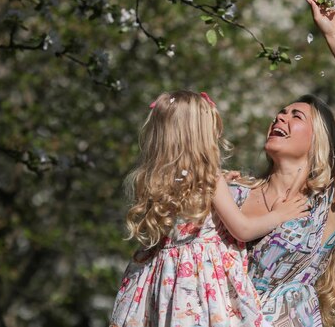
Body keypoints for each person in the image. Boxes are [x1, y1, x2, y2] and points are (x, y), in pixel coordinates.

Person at [231, 0, 335, 327]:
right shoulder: (234, 193)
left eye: (296, 116)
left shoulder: (328, 206)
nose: (280, 117)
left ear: (319, 139)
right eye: (280, 112)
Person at [109, 90, 310, 327]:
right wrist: (280, 214)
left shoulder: (158, 178)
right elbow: (242, 230)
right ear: (199, 135)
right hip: (199, 284)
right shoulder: (210, 178)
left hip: (165, 282)